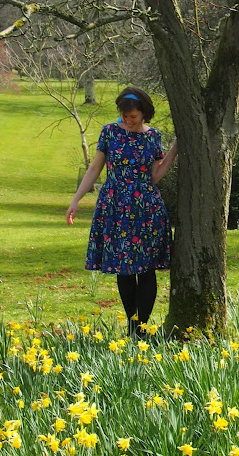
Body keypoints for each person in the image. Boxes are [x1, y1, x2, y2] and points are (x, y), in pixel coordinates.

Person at [66, 86, 178, 337]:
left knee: (146, 269)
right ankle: (132, 326)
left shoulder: (153, 137)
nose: (128, 121)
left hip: (146, 209)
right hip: (115, 207)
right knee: (123, 268)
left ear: (144, 113)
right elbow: (95, 169)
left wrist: (174, 149)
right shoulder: (110, 132)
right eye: (125, 116)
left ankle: (142, 329)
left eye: (133, 117)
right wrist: (76, 200)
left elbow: (155, 175)